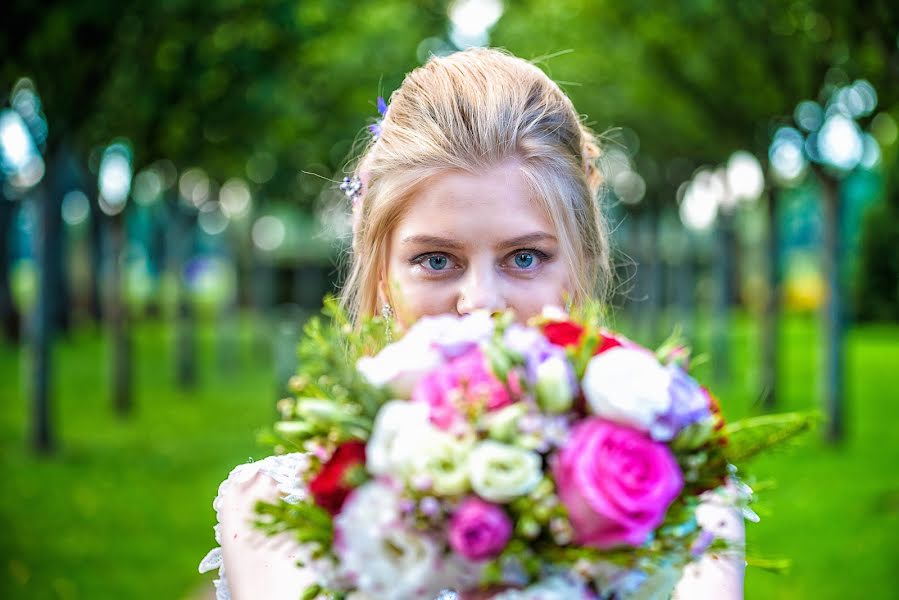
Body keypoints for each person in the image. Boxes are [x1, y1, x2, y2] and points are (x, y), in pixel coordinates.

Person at [199, 47, 745, 599]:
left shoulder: (678, 502)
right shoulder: (275, 508)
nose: (481, 304)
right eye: (437, 260)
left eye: (524, 257)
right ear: (384, 276)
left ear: (579, 270)